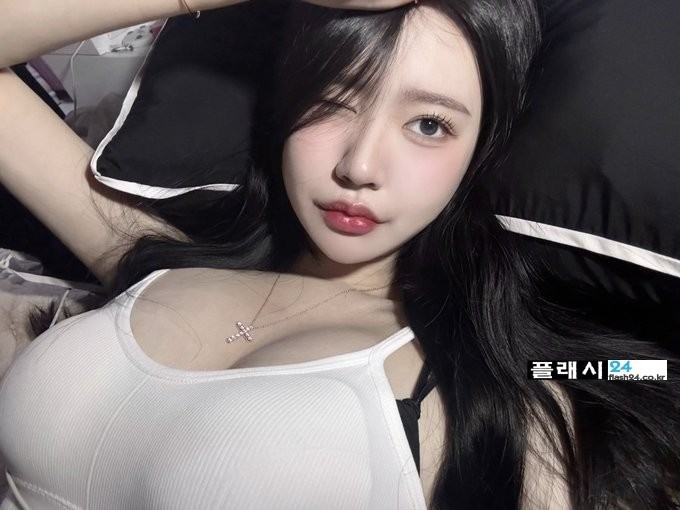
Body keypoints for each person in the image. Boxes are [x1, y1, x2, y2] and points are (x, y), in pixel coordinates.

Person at [1, 0, 679, 508]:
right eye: (331, 101)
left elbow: (638, 372)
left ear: (483, 152)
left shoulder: (492, 388)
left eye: (429, 124)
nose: (359, 166)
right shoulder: (159, 257)